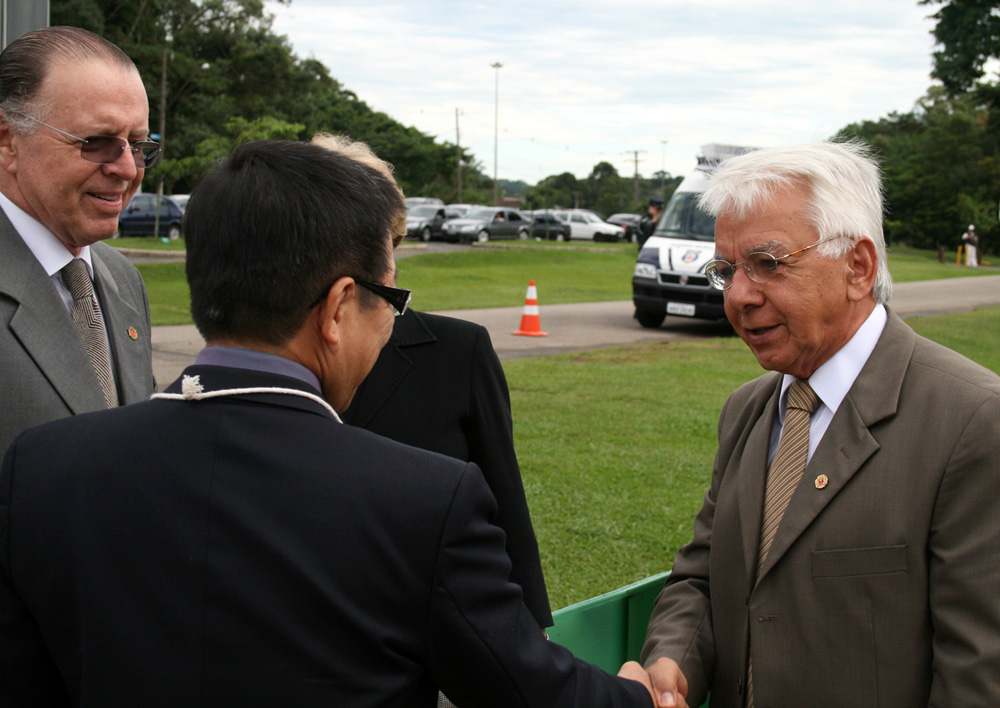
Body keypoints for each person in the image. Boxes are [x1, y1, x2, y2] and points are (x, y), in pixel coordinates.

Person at [0, 138, 655, 708]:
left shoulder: (43, 467)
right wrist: (637, 693)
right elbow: (529, 692)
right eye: (390, 297)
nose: (394, 320)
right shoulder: (423, 502)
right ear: (339, 306)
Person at [640, 141, 1000, 708]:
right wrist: (672, 662)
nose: (738, 296)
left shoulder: (973, 421)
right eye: (727, 270)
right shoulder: (747, 410)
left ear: (858, 267)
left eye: (767, 264)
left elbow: (978, 673)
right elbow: (705, 576)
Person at [316, 133, 553, 632]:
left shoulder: (458, 351)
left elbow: (505, 504)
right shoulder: (275, 353)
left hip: (431, 632)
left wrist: (529, 634)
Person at [0, 26, 156, 455]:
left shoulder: (122, 279)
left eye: (139, 145)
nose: (127, 169)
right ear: (7, 141)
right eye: (97, 143)